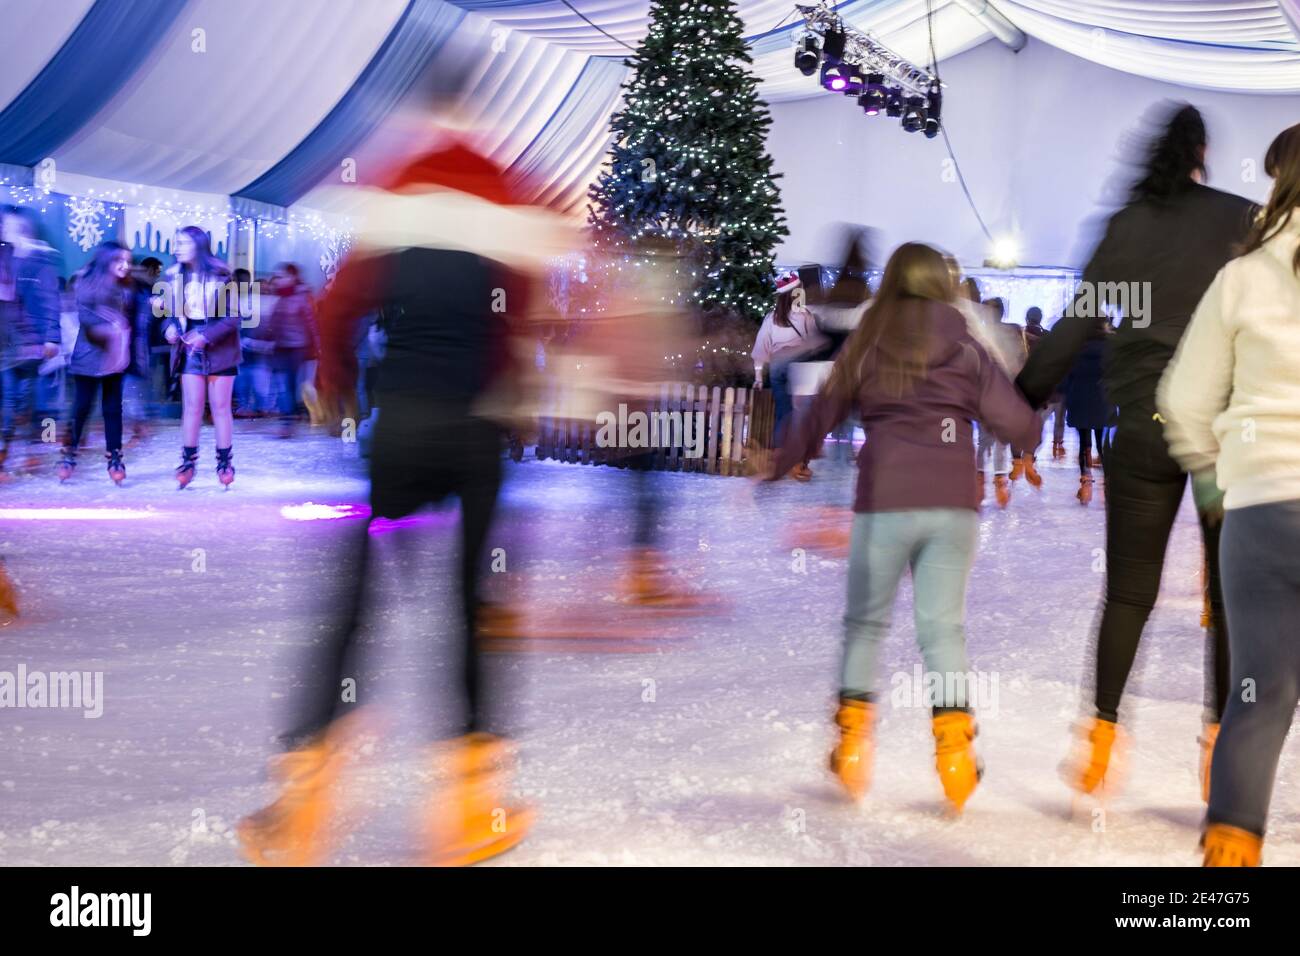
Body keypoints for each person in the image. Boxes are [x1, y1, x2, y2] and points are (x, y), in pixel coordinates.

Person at [236, 131, 570, 867]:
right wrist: (516, 391)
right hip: (475, 433)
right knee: (471, 608)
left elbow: (337, 308)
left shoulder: (398, 210)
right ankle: (467, 808)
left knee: (354, 604)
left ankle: (304, 797)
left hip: (404, 431)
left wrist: (335, 386)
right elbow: (520, 317)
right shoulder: (502, 208)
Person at [1016, 103, 1257, 797]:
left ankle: (1100, 736)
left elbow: (1072, 329)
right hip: (1221, 434)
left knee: (1128, 592)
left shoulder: (1125, 227)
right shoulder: (1239, 222)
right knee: (1231, 601)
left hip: (1144, 428)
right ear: (1201, 152)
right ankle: (1219, 750)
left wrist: (1019, 399)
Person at [770, 242, 1042, 812]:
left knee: (865, 625)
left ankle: (850, 749)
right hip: (950, 504)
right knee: (942, 631)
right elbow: (1017, 420)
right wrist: (1027, 438)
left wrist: (783, 460)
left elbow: (821, 410)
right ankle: (954, 755)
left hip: (885, 501)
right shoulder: (966, 344)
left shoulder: (869, 340)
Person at [1158, 122, 1300, 866]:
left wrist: (1218, 475)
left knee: (1257, 696)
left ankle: (1228, 869)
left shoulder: (1243, 277)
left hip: (1262, 512)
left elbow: (1183, 397)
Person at [161, 226, 239, 488]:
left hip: (220, 349)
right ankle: (188, 461)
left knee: (220, 408)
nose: (177, 248)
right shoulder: (173, 276)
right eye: (176, 243)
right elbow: (171, 314)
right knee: (191, 408)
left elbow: (233, 317)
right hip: (190, 349)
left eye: (182, 243)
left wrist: (206, 336)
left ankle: (224, 461)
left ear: (198, 245)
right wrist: (169, 327)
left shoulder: (221, 274)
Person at [59, 242, 134, 483]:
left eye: (128, 261)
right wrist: (112, 326)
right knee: (82, 407)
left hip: (116, 357)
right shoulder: (86, 282)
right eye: (119, 260)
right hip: (89, 357)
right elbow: (86, 316)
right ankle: (69, 453)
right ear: (107, 261)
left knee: (113, 409)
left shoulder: (126, 287)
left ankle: (115, 456)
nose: (125, 265)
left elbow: (134, 319)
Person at [0, 205, 61, 473]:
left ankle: (18, 447)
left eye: (8, 225)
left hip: (29, 340)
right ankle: (6, 446)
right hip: (5, 339)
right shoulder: (4, 255)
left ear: (22, 228)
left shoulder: (39, 261)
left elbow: (50, 301)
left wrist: (52, 337)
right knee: (10, 395)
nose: (3, 228)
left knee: (19, 396)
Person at [751, 272, 829, 479]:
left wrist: (758, 377)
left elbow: (760, 350)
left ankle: (781, 461)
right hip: (800, 367)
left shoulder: (771, 318)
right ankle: (800, 463)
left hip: (778, 367)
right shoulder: (805, 315)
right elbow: (817, 343)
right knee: (802, 415)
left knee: (784, 413)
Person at [1060, 315, 1112, 504]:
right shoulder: (1110, 349)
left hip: (1080, 400)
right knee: (1102, 444)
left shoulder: (1077, 349)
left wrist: (1064, 393)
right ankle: (1108, 484)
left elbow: (1066, 377)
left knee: (1083, 443)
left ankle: (1086, 484)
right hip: (1102, 401)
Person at [266, 262, 317, 438]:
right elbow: (273, 323)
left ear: (292, 277)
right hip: (279, 347)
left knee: (288, 384)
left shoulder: (302, 297)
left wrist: (318, 348)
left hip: (296, 347)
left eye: (280, 277)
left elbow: (312, 324)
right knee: (282, 384)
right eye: (276, 277)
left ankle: (289, 421)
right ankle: (289, 419)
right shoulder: (279, 297)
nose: (277, 280)